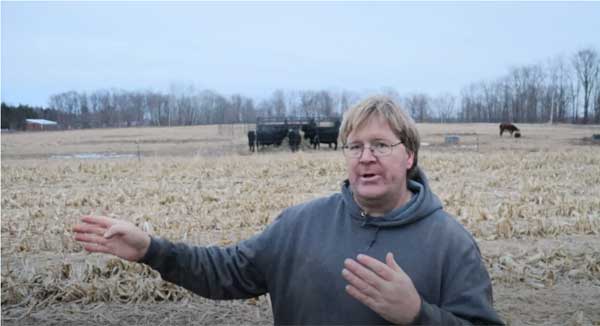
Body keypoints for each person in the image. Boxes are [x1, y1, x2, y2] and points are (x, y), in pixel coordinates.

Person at [74, 95, 504, 325]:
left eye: (380, 145)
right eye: (354, 146)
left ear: (409, 155)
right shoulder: (300, 225)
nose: (365, 157)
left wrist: (418, 315)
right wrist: (152, 249)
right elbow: (226, 270)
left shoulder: (450, 243)